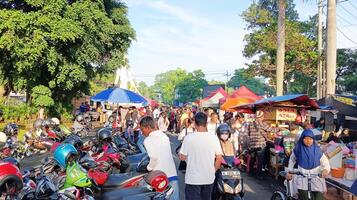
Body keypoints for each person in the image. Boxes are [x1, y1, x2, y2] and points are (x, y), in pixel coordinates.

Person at [179, 112, 223, 200]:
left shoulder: (189, 138)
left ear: (194, 123)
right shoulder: (213, 138)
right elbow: (219, 158)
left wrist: (180, 154)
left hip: (193, 179)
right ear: (206, 123)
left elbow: (182, 157)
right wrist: (213, 171)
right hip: (208, 178)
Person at [139, 116, 179, 200]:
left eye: (142, 130)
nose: (142, 133)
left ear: (148, 127)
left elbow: (154, 158)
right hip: (172, 174)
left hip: (159, 178)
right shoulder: (164, 136)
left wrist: (148, 168)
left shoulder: (148, 140)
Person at [286, 129, 330, 200]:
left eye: (310, 138)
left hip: (316, 178)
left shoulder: (317, 150)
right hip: (303, 177)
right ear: (302, 139)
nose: (308, 140)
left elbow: (325, 162)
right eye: (305, 138)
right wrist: (290, 171)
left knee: (319, 197)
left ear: (313, 139)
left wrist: (325, 170)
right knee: (304, 197)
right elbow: (292, 159)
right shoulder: (298, 149)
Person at [245, 110, 280, 178]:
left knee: (253, 159)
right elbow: (271, 130)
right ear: (260, 117)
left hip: (252, 144)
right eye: (263, 116)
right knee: (260, 160)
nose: (263, 117)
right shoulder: (262, 124)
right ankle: (258, 175)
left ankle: (251, 173)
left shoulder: (250, 123)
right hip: (260, 144)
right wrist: (279, 129)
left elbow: (248, 133)